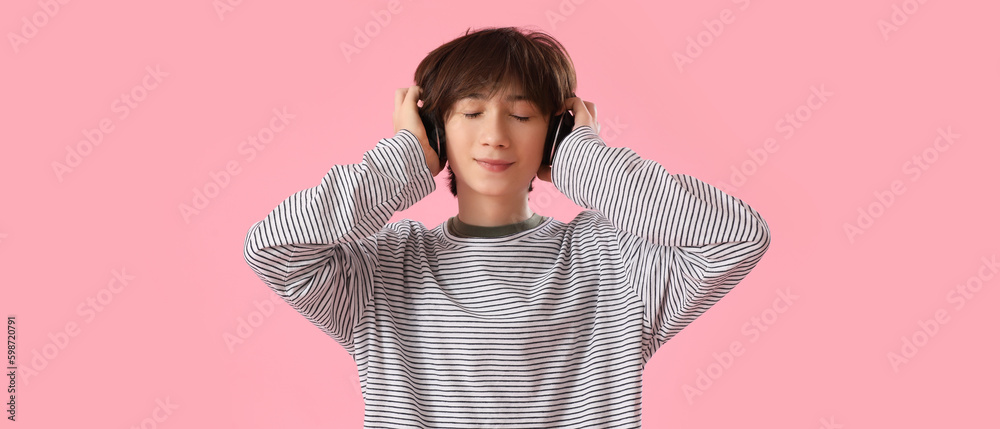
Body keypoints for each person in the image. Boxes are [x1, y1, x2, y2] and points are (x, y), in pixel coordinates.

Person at [243, 26, 770, 428]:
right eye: (471, 112)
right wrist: (401, 161)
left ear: (556, 130)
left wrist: (583, 160)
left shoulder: (613, 263)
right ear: (434, 128)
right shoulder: (382, 272)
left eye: (521, 116)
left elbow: (737, 236)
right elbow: (271, 247)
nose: (495, 135)